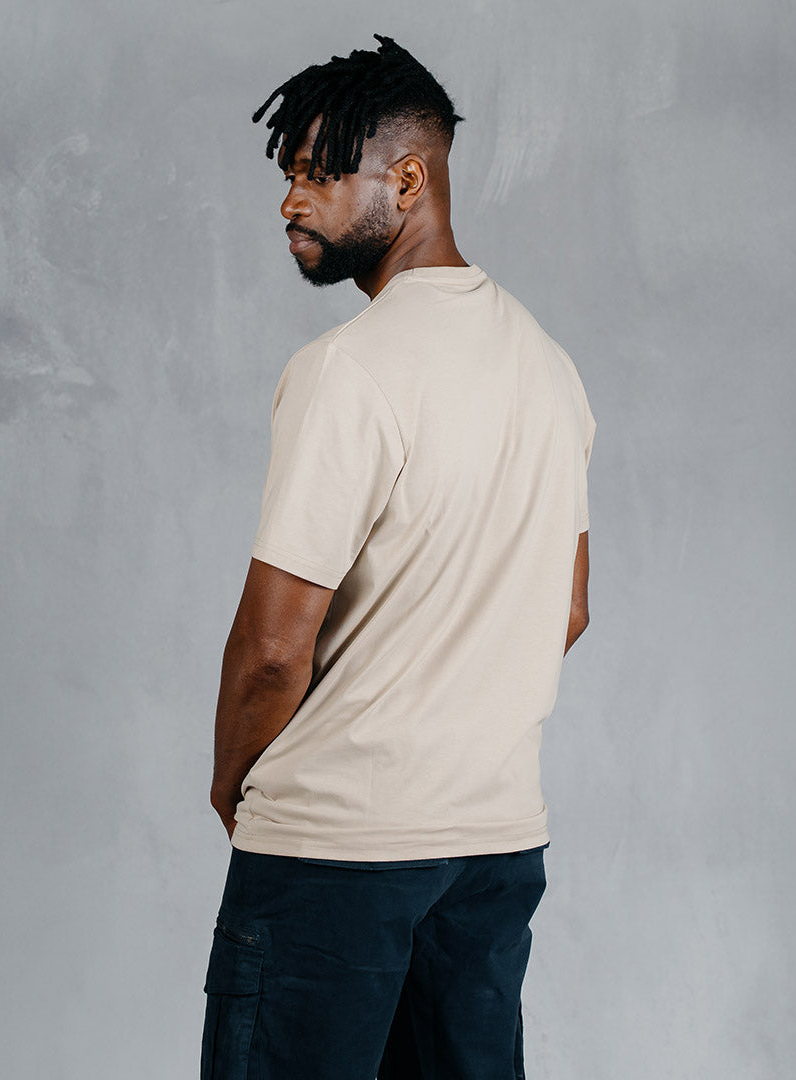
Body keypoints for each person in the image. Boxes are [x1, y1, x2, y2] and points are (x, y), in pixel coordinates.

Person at [201, 33, 595, 1080]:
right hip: (494, 846)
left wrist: (236, 783)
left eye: (318, 176)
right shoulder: (548, 368)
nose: (290, 202)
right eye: (288, 175)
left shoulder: (350, 370)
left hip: (334, 853)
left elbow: (273, 650)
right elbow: (566, 610)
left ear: (408, 181)